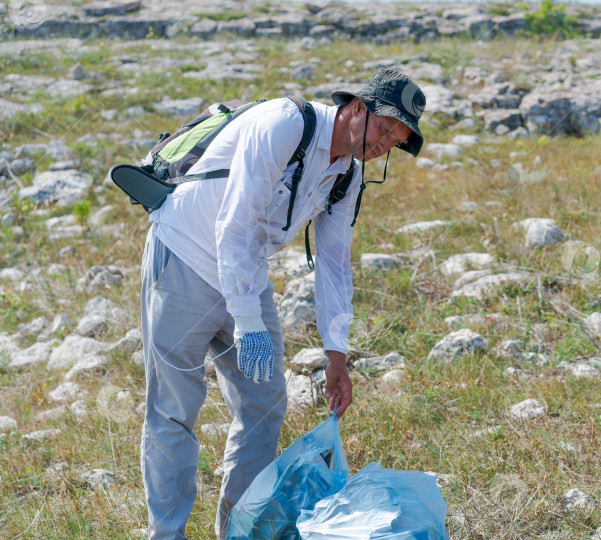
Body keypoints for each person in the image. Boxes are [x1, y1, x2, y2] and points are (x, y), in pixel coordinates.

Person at [139, 69, 425, 540]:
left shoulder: (347, 176)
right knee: (174, 409)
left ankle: (238, 530)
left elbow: (334, 264)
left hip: (244, 274)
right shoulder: (283, 124)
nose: (385, 144)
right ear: (357, 106)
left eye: (397, 140)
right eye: (385, 127)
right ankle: (167, 534)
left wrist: (336, 353)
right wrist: (247, 319)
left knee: (265, 406)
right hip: (185, 259)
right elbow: (235, 222)